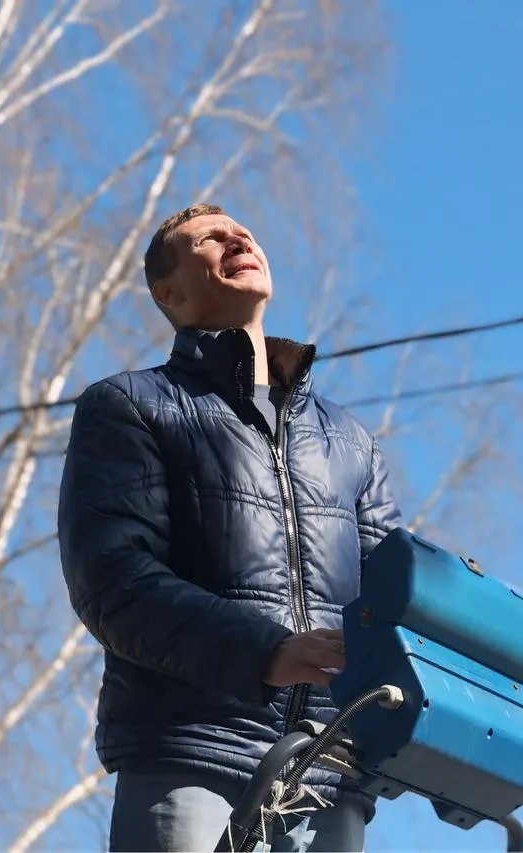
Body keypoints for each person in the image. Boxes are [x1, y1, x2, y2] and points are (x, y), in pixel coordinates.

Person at [57, 203, 403, 852]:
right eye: (210, 239)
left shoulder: (351, 440)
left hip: (331, 773)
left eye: (243, 231)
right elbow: (113, 579)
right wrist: (264, 650)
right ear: (169, 293)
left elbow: (392, 601)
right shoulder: (132, 405)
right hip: (191, 749)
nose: (238, 237)